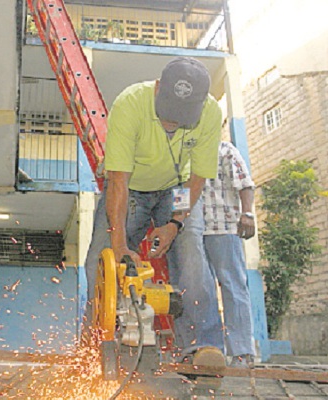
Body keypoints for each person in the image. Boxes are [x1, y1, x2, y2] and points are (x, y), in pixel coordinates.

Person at [84, 56, 225, 354]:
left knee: (191, 257)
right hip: (131, 187)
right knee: (102, 257)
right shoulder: (130, 104)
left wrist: (175, 224)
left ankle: (202, 348)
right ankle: (97, 346)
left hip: (177, 189)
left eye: (181, 116)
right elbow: (119, 181)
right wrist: (120, 245)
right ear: (158, 88)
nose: (171, 123)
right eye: (168, 112)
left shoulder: (211, 113)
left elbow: (197, 178)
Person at [202, 141, 256, 367]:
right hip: (194, 231)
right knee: (202, 290)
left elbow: (245, 184)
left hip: (224, 227)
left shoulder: (225, 149)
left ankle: (242, 352)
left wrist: (248, 214)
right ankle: (211, 351)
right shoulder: (185, 146)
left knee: (233, 286)